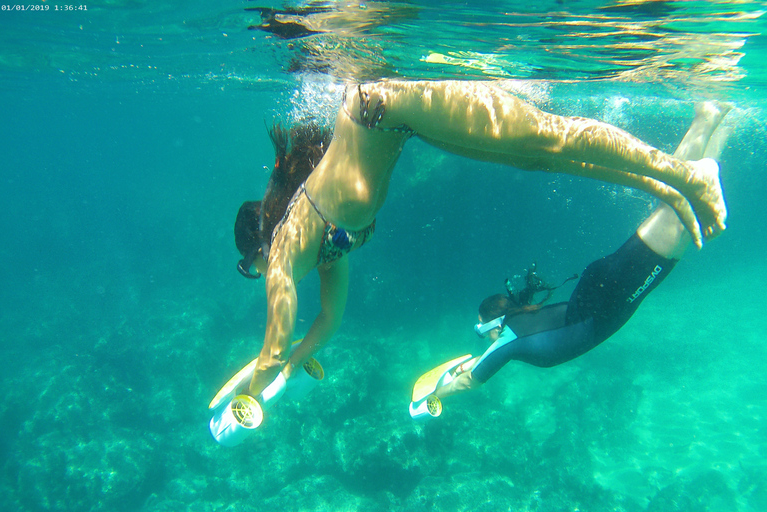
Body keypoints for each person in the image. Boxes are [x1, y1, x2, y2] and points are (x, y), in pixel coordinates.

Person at [235, 80, 728, 399]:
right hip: (396, 122)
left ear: (258, 246)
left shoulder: (283, 248)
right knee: (535, 157)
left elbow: (274, 339)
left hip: (379, 106)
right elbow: (328, 319)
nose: (256, 275)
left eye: (247, 267)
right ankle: (674, 182)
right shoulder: (324, 250)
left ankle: (683, 174)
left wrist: (257, 385)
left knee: (545, 138)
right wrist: (290, 367)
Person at [430, 101, 731, 400]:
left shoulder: (511, 338)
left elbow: (469, 381)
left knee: (674, 213)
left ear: (495, 324)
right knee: (673, 209)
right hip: (603, 291)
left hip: (611, 296)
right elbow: (490, 356)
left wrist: (432, 398)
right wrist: (472, 362)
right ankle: (718, 122)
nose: (487, 339)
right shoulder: (518, 327)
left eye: (483, 332)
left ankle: (708, 120)